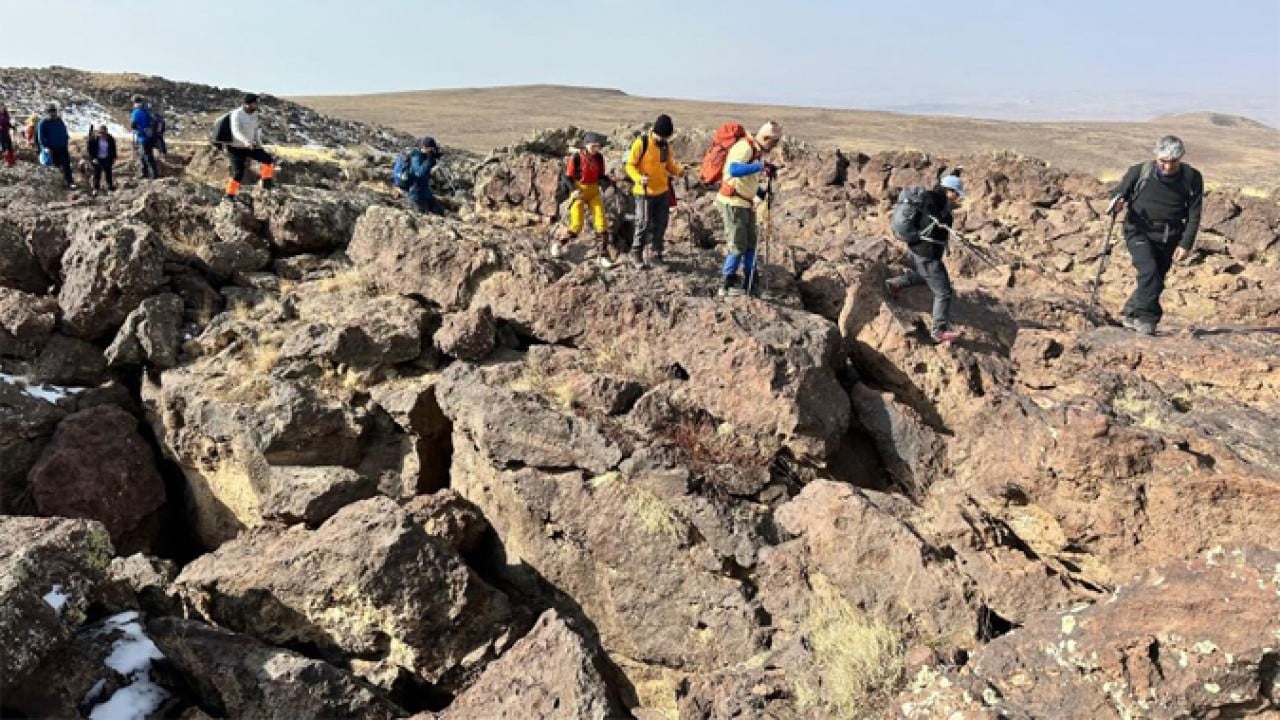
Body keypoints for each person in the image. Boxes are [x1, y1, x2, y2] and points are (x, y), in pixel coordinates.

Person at [1108, 135, 1203, 336]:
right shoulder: (1139, 171)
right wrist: (1117, 201)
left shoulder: (1192, 177)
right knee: (1149, 272)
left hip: (1170, 235)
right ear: (1156, 157)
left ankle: (1131, 311)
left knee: (1156, 278)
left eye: (1173, 162)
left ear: (1181, 158)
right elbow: (1119, 192)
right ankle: (1147, 319)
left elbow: (1195, 213)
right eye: (1163, 162)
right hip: (1138, 230)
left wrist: (1186, 244)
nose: (1168, 167)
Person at [885, 175, 966, 343]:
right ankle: (939, 331)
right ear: (948, 190)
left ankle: (896, 283)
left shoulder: (937, 200)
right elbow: (931, 213)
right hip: (926, 253)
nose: (958, 197)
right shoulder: (933, 199)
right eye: (956, 193)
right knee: (943, 292)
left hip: (918, 248)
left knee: (926, 276)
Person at [716, 122, 781, 296]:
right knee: (738, 245)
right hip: (733, 203)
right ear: (766, 138)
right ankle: (726, 284)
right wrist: (761, 166)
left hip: (745, 203)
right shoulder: (745, 147)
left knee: (751, 244)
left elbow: (748, 182)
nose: (774, 147)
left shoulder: (756, 152)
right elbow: (734, 170)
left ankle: (750, 282)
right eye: (774, 143)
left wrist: (762, 192)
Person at [624, 114, 684, 269]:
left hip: (662, 191)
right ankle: (636, 253)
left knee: (661, 224)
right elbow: (629, 165)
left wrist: (679, 171)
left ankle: (655, 254)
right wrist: (638, 178)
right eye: (661, 136)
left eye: (666, 137)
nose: (663, 140)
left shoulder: (665, 146)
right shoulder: (641, 143)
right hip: (644, 193)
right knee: (643, 223)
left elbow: (668, 164)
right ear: (654, 131)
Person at [556, 131, 613, 266]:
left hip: (594, 192)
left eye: (598, 146)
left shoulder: (599, 158)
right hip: (579, 191)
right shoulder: (576, 157)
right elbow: (567, 177)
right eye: (593, 146)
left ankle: (603, 255)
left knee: (602, 224)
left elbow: (600, 176)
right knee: (576, 225)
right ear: (586, 145)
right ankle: (559, 244)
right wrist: (573, 190)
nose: (596, 149)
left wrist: (609, 181)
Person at [224, 94, 276, 202]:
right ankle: (229, 195)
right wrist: (246, 141)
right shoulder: (236, 114)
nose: (257, 105)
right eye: (255, 103)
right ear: (247, 104)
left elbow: (256, 129)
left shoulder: (255, 114)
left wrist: (258, 143)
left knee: (268, 160)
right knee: (238, 173)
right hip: (235, 147)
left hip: (251, 145)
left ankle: (266, 183)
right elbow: (236, 131)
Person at [36, 105, 75, 189]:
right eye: (51, 111)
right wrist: (45, 147)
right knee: (54, 165)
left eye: (54, 111)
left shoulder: (59, 121)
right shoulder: (43, 123)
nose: (53, 113)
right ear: (47, 112)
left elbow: (64, 131)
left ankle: (70, 182)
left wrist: (66, 139)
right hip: (51, 148)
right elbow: (41, 136)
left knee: (66, 165)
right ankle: (56, 184)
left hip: (62, 146)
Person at [406, 136, 445, 215]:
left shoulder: (425, 156)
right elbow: (420, 173)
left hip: (425, 192)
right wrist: (429, 159)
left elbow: (427, 168)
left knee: (440, 211)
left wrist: (435, 157)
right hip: (416, 194)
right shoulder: (416, 157)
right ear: (424, 147)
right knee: (423, 214)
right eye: (430, 149)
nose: (431, 151)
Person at [129, 95, 160, 179]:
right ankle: (149, 173)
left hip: (142, 137)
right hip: (149, 136)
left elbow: (133, 124)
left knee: (145, 155)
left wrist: (134, 127)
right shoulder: (146, 110)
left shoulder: (137, 111)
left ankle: (150, 174)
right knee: (147, 155)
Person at [84, 125, 117, 194]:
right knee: (97, 174)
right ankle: (96, 189)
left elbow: (113, 148)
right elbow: (89, 150)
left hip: (107, 158)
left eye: (104, 133)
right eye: (100, 132)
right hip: (97, 159)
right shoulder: (93, 139)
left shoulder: (110, 139)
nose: (102, 134)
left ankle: (110, 187)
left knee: (108, 173)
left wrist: (114, 157)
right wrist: (93, 158)